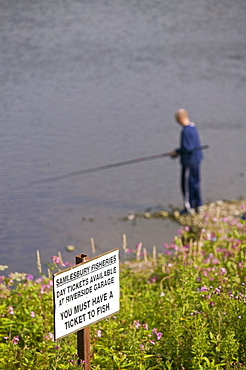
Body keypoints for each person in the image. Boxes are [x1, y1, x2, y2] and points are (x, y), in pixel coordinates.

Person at [169, 109, 203, 215]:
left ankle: (189, 208)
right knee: (195, 183)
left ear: (180, 118)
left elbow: (188, 148)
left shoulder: (186, 131)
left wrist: (176, 152)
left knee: (187, 185)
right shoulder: (193, 127)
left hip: (189, 162)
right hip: (197, 159)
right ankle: (199, 205)